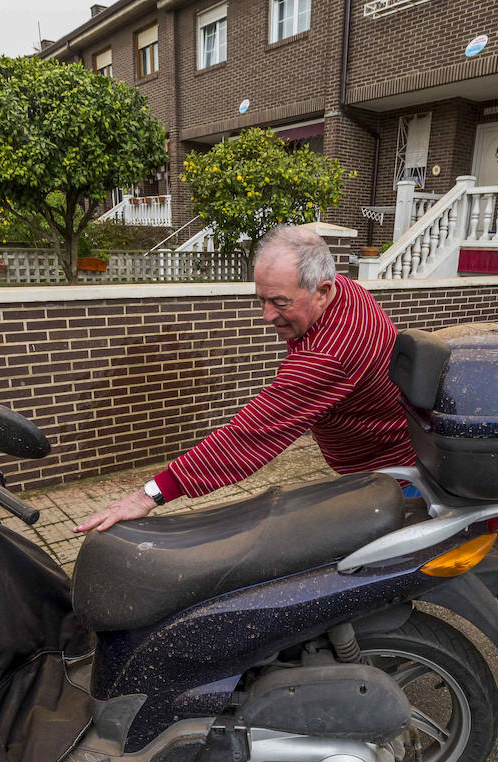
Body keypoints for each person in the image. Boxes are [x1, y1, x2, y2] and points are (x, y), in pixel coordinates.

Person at [74, 224, 417, 533]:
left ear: (322, 291)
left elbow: (248, 438)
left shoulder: (329, 355)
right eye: (261, 299)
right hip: (387, 457)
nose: (267, 316)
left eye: (279, 302)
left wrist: (147, 496)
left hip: (397, 478)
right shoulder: (343, 289)